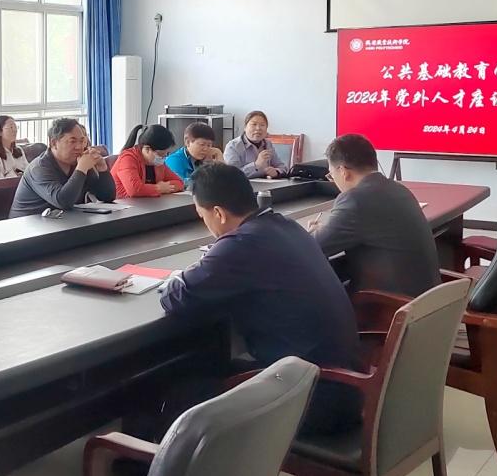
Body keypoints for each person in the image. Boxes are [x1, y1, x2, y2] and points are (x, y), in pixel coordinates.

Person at [155, 162, 362, 437]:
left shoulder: (241, 243)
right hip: (343, 384)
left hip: (312, 398)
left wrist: (179, 276)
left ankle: (146, 461)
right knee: (206, 366)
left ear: (218, 213)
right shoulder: (286, 226)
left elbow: (177, 296)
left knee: (175, 388)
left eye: (202, 215)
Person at [308, 133, 441, 297]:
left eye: (331, 175)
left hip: (392, 303)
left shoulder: (354, 199)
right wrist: (328, 229)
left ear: (343, 172)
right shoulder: (397, 188)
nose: (333, 180)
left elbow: (313, 247)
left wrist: (312, 232)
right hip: (427, 299)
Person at [8, 118, 115, 218]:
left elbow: (106, 196)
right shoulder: (39, 168)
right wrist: (81, 168)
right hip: (27, 226)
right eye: (72, 141)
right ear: (54, 143)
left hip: (63, 223)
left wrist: (102, 167)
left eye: (82, 141)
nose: (79, 147)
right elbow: (62, 201)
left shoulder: (78, 162)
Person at [111, 124, 185, 198]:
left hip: (147, 203)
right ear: (147, 149)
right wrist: (158, 188)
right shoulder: (127, 158)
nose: (163, 158)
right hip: (122, 202)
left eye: (166, 154)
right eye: (161, 154)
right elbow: (134, 190)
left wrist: (163, 187)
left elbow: (179, 182)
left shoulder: (156, 163)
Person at [224, 110, 288, 179]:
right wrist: (256, 165)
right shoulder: (233, 146)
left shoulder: (268, 143)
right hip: (242, 184)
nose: (258, 128)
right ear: (245, 127)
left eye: (262, 125)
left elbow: (282, 166)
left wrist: (276, 172)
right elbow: (233, 175)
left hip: (265, 184)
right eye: (254, 124)